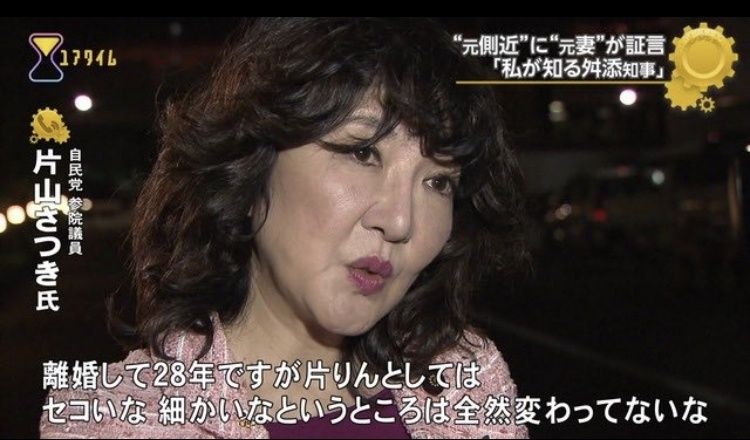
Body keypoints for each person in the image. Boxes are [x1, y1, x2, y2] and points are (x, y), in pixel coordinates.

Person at [40, 17, 531, 438]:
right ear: (253, 166)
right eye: (362, 152)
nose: (402, 221)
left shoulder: (464, 382)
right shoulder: (113, 420)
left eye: (439, 182)